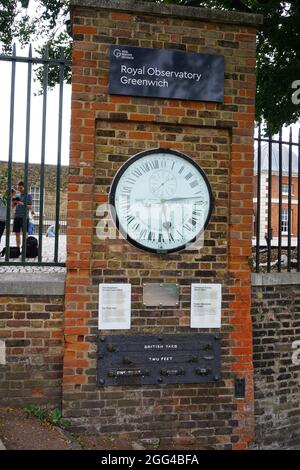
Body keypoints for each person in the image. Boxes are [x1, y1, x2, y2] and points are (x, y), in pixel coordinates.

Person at [12, 181, 32, 248]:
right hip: (16, 216)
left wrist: (22, 203)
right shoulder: (17, 195)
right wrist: (13, 202)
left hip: (24, 217)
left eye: (20, 188)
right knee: (17, 233)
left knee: (25, 234)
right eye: (18, 188)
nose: (19, 189)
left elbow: (30, 207)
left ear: (24, 187)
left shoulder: (28, 195)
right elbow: (12, 207)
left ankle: (25, 248)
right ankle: (17, 248)